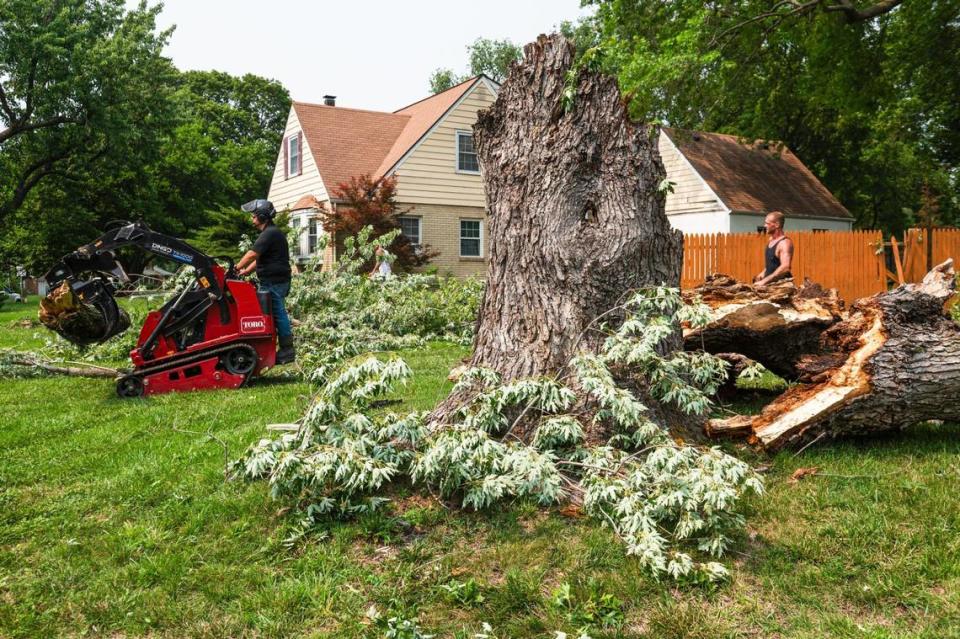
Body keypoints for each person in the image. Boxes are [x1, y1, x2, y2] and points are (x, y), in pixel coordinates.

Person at [235, 199, 295, 364]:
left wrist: (235, 268)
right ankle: (275, 347)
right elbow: (260, 257)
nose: (252, 219)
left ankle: (287, 349)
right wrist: (246, 271)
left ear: (263, 217)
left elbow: (252, 254)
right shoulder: (270, 233)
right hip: (273, 280)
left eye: (254, 216)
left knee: (278, 312)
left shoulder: (270, 233)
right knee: (272, 313)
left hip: (275, 281)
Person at [754, 210, 794, 286]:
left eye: (767, 223)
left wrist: (764, 281)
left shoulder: (784, 243)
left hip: (782, 289)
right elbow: (772, 265)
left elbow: (785, 267)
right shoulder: (771, 241)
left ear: (777, 225)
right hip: (770, 286)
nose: (764, 226)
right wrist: (762, 274)